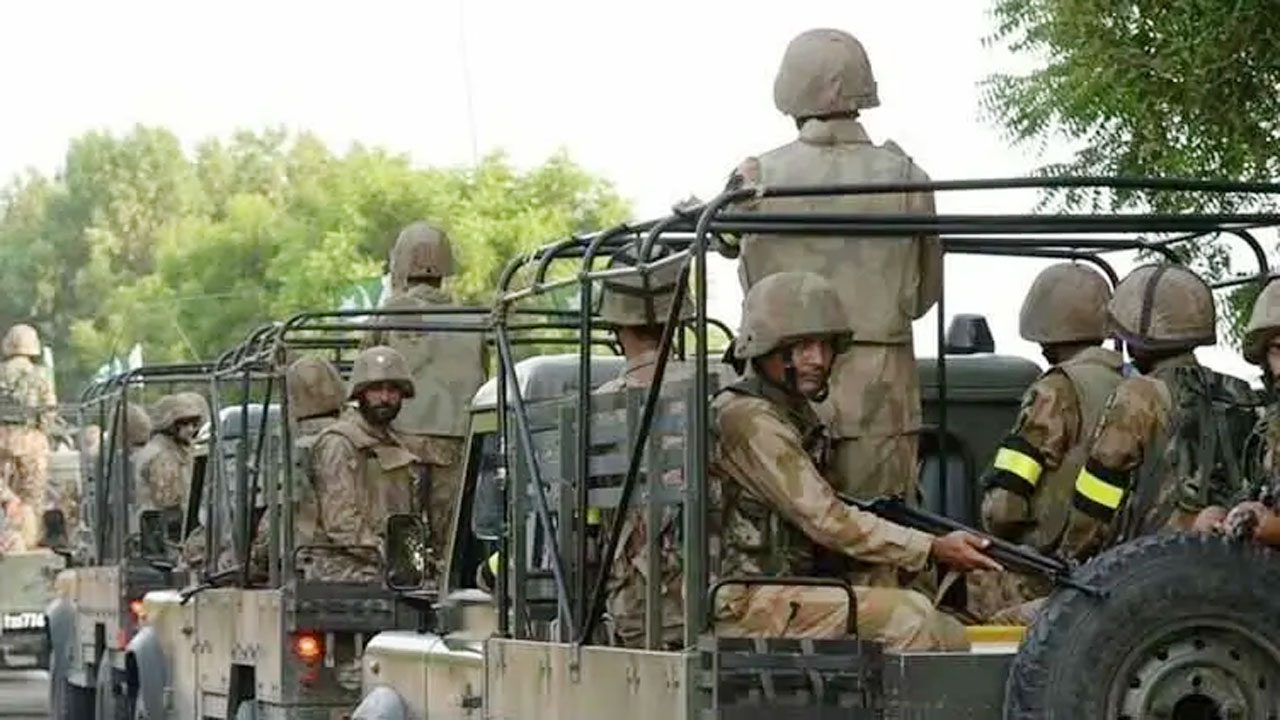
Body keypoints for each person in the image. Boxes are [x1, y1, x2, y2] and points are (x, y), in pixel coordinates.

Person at [722, 29, 942, 528]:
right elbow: (925, 295)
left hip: (778, 388)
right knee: (884, 535)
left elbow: (724, 241)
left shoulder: (756, 176)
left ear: (790, 89)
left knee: (783, 537)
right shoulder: (908, 176)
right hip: (882, 393)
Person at [709, 271, 999, 651]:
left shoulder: (790, 413)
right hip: (744, 602)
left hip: (779, 588)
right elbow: (826, 519)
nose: (818, 359)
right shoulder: (748, 419)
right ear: (764, 346)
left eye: (826, 346)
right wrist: (930, 547)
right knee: (910, 619)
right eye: (802, 346)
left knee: (909, 588)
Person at [1059, 264, 1255, 560]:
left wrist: (1071, 554)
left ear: (1137, 336)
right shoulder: (1240, 392)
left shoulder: (1139, 394)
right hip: (1238, 562)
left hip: (1154, 565)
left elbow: (1098, 492)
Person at [967, 263, 1123, 622]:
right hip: (1114, 561)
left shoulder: (1054, 390)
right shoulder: (1133, 385)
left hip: (1048, 570)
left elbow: (1003, 509)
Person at [367, 221, 486, 578]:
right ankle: (450, 588)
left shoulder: (390, 312)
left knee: (405, 530)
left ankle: (409, 588)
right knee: (452, 535)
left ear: (401, 261)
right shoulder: (474, 319)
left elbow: (366, 367)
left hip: (403, 441)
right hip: (459, 443)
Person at [592, 243, 694, 649]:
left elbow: (577, 527)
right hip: (728, 601)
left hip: (639, 611)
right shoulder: (725, 390)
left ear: (614, 322)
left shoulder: (597, 409)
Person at [307, 346, 419, 582]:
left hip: (384, 571)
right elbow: (341, 522)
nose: (385, 398)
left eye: (392, 390)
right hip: (343, 575)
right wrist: (391, 556)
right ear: (360, 393)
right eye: (376, 389)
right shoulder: (339, 443)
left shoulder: (396, 442)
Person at [1196, 279, 1280, 543]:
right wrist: (1224, 514)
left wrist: (1274, 529)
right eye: (1277, 350)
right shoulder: (1269, 428)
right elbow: (1256, 492)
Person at [0, 324, 57, 538]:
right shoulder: (41, 374)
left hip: (1, 436)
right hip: (30, 439)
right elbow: (49, 409)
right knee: (32, 495)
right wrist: (43, 433)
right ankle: (28, 537)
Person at [135, 392, 209, 541]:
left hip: (166, 528)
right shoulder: (163, 454)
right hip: (164, 532)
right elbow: (169, 501)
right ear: (169, 425)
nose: (191, 429)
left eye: (194, 423)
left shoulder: (174, 448)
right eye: (184, 423)